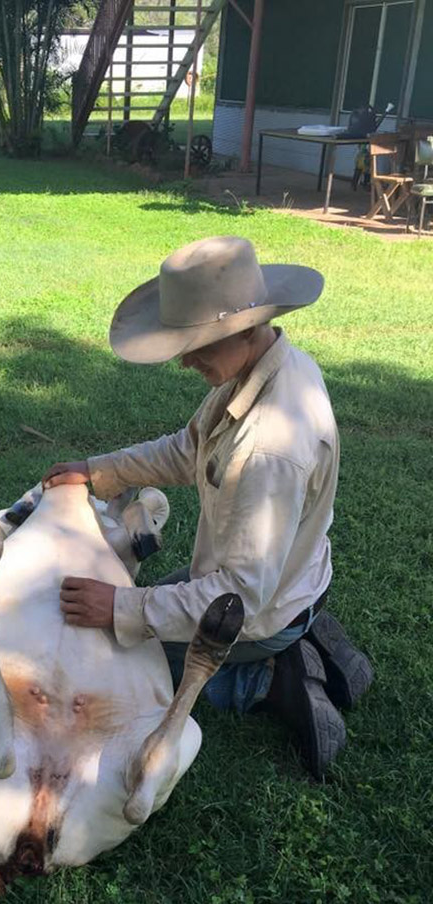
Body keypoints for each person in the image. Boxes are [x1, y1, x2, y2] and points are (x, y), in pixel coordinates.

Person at [42, 235, 373, 779]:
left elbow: (240, 595)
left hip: (257, 609)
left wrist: (121, 612)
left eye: (199, 345)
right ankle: (300, 633)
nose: (185, 361)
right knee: (133, 612)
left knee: (123, 660)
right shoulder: (264, 368)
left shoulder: (269, 446)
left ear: (246, 329)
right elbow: (188, 449)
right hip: (283, 579)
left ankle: (269, 680)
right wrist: (99, 471)